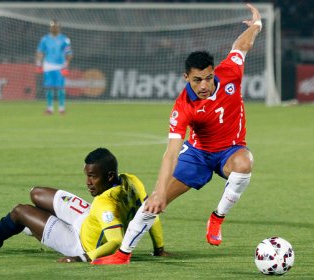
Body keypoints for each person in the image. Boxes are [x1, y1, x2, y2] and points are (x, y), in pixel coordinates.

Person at [92, 3, 261, 265]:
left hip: (231, 150)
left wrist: (257, 25)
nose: (204, 85)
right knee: (153, 202)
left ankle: (217, 217)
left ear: (213, 72)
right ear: (186, 77)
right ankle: (123, 254)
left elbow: (241, 46)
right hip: (198, 154)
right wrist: (159, 191)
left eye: (207, 77)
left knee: (245, 163)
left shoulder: (230, 73)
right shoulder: (183, 107)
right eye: (197, 80)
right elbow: (171, 153)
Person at [0, 148, 168, 262]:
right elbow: (150, 213)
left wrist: (81, 257)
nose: (87, 182)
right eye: (86, 175)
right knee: (36, 193)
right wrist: (159, 248)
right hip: (89, 219)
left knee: (20, 211)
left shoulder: (105, 204)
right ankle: (35, 227)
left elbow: (115, 241)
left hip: (78, 242)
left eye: (92, 177)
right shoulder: (131, 180)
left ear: (109, 176)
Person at [36, 19, 73, 115]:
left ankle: (61, 109)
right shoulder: (45, 39)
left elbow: (69, 53)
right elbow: (40, 52)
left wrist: (66, 64)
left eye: (55, 26)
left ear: (58, 27)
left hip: (60, 66)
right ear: (50, 27)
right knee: (49, 88)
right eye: (52, 26)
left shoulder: (65, 39)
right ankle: (50, 109)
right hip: (48, 65)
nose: (54, 28)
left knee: (61, 88)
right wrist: (39, 63)